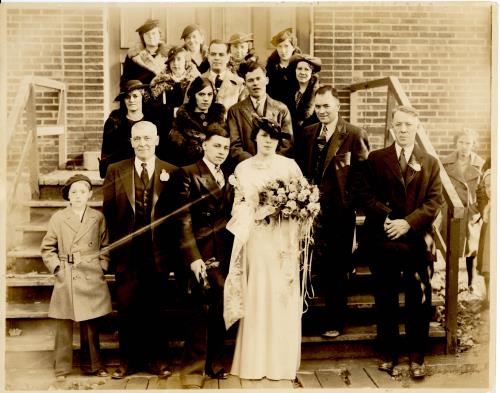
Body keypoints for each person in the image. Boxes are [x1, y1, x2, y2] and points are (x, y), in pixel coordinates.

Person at [354, 105, 442, 380]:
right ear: (392, 127)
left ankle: (417, 356)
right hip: (385, 236)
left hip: (415, 239)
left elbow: (434, 201)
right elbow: (365, 195)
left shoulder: (429, 162)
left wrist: (409, 222)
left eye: (409, 125)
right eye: (399, 125)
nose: (403, 130)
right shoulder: (377, 159)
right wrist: (390, 219)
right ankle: (389, 353)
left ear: (417, 127)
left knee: (419, 296)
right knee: (387, 296)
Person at [224, 117, 302, 380]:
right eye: (263, 136)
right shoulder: (244, 168)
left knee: (281, 292)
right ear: (254, 138)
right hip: (257, 237)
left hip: (283, 238)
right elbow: (237, 205)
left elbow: (303, 202)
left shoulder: (290, 166)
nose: (268, 141)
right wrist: (257, 212)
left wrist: (287, 207)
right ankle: (254, 362)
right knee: (259, 291)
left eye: (273, 137)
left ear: (279, 140)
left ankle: (281, 362)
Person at [102, 121, 178, 379]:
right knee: (127, 306)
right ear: (131, 141)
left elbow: (177, 217)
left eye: (147, 138)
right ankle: (128, 361)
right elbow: (110, 213)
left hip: (159, 252)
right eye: (137, 139)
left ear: (157, 140)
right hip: (128, 252)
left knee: (156, 307)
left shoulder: (171, 171)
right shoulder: (115, 170)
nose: (142, 143)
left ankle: (158, 360)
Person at [295, 85, 370, 339]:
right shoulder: (307, 133)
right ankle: (304, 320)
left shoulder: (353, 134)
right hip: (309, 212)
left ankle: (335, 321)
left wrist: (347, 203)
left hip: (339, 213)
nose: (322, 111)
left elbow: (361, 175)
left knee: (337, 268)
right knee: (306, 264)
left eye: (327, 105)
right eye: (318, 106)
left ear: (338, 106)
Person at [176, 124, 234, 388]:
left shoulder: (229, 176)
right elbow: (182, 219)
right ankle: (191, 372)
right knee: (199, 310)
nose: (221, 151)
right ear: (204, 146)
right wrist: (193, 257)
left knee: (221, 306)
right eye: (216, 146)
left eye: (225, 146)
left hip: (224, 250)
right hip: (199, 251)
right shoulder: (188, 173)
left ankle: (214, 363)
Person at [41, 174, 112, 381]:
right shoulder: (58, 218)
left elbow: (106, 244)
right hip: (67, 272)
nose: (78, 196)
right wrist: (57, 268)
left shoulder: (97, 217)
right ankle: (61, 368)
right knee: (63, 323)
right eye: (73, 192)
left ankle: (93, 365)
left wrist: (102, 265)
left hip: (90, 272)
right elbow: (47, 248)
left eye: (82, 191)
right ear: (67, 196)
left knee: (90, 322)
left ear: (90, 194)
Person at [441, 129, 485, 286]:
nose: (464, 146)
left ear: (473, 144)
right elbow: (439, 187)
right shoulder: (445, 162)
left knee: (471, 249)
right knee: (450, 247)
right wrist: (444, 205)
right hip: (451, 211)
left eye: (468, 143)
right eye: (461, 142)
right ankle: (448, 280)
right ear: (456, 143)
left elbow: (483, 190)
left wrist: (478, 209)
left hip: (470, 212)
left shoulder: (480, 164)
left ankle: (470, 282)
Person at [228, 61, 293, 163]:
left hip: (274, 167)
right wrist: (254, 163)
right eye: (250, 80)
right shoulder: (235, 111)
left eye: (258, 79)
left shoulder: (281, 109)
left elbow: (287, 143)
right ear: (245, 84)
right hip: (247, 167)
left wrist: (271, 162)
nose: (255, 83)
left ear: (266, 80)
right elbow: (235, 146)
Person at [149, 46, 201, 160]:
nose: (175, 63)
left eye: (179, 59)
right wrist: (172, 111)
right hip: (166, 129)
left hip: (190, 127)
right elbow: (154, 108)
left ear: (186, 62)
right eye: (172, 60)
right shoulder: (159, 83)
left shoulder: (195, 82)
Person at [166, 76, 226, 167]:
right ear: (193, 95)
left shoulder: (219, 119)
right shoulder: (182, 120)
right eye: (201, 94)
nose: (206, 99)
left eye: (209, 94)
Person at [100, 79, 154, 178]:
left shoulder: (152, 120)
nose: (131, 100)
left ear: (143, 97)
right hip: (122, 173)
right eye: (127, 97)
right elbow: (106, 152)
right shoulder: (114, 122)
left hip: (147, 171)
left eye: (135, 96)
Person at [197, 39, 246, 111]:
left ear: (228, 57)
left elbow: (242, 115)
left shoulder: (239, 84)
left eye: (221, 54)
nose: (217, 58)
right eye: (213, 54)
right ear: (208, 56)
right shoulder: (197, 82)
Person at [121, 19, 169, 85]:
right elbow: (125, 81)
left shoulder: (168, 56)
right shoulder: (134, 56)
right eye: (146, 34)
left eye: (154, 33)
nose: (151, 37)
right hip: (139, 92)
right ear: (142, 37)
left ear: (159, 35)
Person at [286, 54, 321, 140]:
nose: (302, 72)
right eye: (299, 69)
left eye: (306, 69)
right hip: (291, 139)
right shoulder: (289, 90)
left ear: (311, 72)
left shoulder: (318, 93)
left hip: (312, 138)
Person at [265, 27, 301, 106]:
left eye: (286, 46)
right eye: (279, 46)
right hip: (275, 110)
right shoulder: (270, 68)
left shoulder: (301, 67)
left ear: (293, 47)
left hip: (295, 111)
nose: (283, 50)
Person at [476, 158, 491, 293]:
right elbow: (481, 193)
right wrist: (485, 208)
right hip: (489, 225)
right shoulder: (488, 171)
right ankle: (489, 297)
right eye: (488, 186)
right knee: (487, 261)